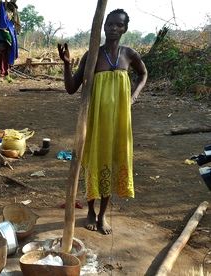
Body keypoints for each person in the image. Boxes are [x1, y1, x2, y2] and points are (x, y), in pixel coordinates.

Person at [58, 9, 147, 234]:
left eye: (119, 25)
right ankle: (90, 210)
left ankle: (103, 215)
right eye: (110, 24)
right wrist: (67, 64)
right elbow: (71, 88)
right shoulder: (93, 55)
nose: (113, 28)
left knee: (112, 159)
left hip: (119, 120)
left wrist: (133, 97)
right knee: (96, 160)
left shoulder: (129, 54)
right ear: (103, 26)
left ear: (125, 29)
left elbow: (143, 74)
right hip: (95, 120)